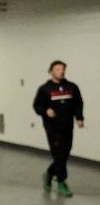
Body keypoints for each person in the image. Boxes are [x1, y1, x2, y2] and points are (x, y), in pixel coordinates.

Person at [33, 59, 85, 197]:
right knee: (59, 154)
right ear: (51, 71)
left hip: (67, 126)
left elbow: (78, 103)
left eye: (62, 69)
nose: (61, 71)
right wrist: (46, 111)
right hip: (52, 127)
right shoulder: (44, 89)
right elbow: (37, 105)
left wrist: (79, 118)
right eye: (57, 69)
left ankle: (49, 174)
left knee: (64, 154)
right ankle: (61, 182)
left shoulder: (72, 87)